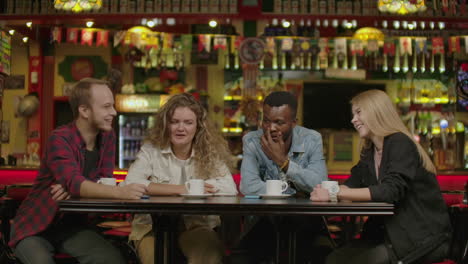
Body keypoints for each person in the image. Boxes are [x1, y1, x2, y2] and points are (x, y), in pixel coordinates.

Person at [9, 78, 147, 264]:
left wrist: (75, 187)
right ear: (84, 111)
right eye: (106, 107)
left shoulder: (108, 137)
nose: (113, 112)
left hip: (73, 227)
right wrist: (113, 190)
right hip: (35, 226)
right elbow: (77, 183)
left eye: (112, 106)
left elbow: (102, 180)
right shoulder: (59, 139)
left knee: (111, 260)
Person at [311, 89, 451, 264]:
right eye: (353, 114)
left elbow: (390, 191)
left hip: (420, 239)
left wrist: (335, 193)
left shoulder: (399, 142)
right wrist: (326, 191)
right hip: (387, 236)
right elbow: (351, 185)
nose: (353, 120)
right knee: (333, 259)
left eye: (358, 113)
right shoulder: (370, 151)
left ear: (377, 112)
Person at [123, 93, 237, 264]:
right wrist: (182, 189)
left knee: (208, 254)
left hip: (196, 225)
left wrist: (201, 186)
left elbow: (230, 188)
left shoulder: (209, 152)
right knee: (156, 258)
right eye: (174, 122)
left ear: (198, 127)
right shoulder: (150, 150)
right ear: (165, 124)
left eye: (188, 122)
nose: (180, 128)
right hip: (151, 228)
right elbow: (130, 183)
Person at [239, 91, 329, 263]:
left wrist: (283, 162)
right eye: (266, 120)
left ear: (294, 123)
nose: (271, 128)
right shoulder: (251, 141)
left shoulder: (311, 139)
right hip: (263, 221)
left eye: (279, 122)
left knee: (315, 249)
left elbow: (321, 184)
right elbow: (248, 186)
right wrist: (295, 192)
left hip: (306, 220)